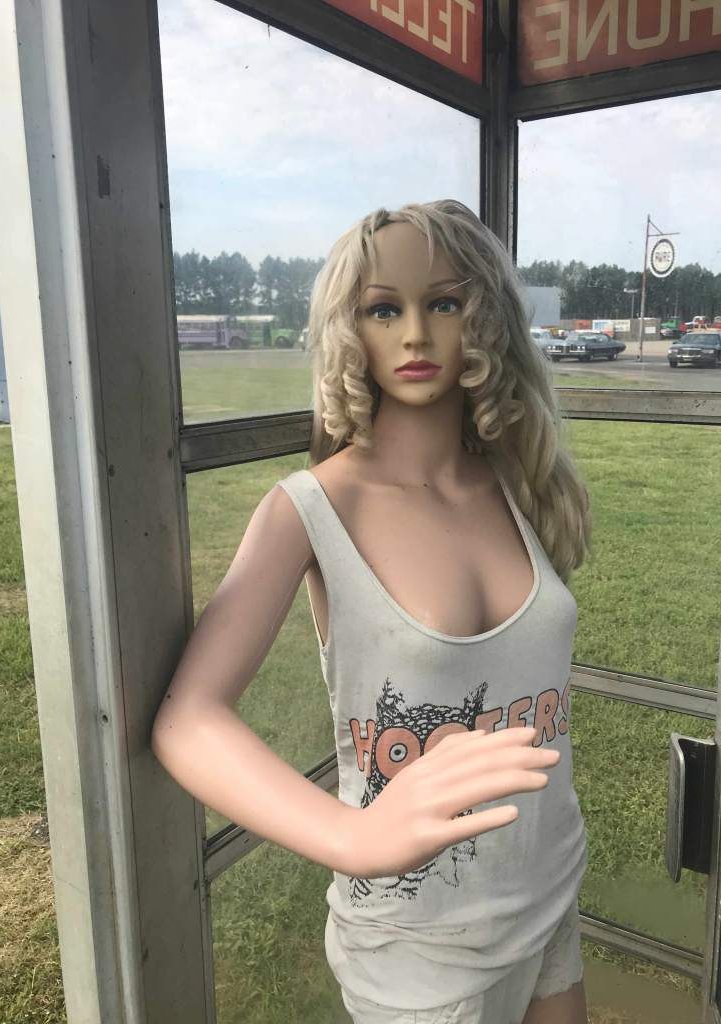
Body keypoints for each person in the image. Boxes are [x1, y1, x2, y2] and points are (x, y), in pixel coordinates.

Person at [151, 199, 593, 1023]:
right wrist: (351, 836)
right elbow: (186, 719)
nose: (416, 335)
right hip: (418, 948)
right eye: (384, 309)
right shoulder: (312, 509)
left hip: (548, 889)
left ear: (484, 318)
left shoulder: (515, 486)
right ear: (350, 329)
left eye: (444, 303)